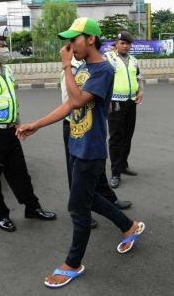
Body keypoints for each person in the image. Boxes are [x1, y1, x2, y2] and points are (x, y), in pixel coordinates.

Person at [16, 17, 145, 288]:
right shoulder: (84, 67)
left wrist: (65, 66)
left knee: (77, 207)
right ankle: (129, 226)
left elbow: (76, 100)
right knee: (89, 197)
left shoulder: (103, 70)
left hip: (91, 149)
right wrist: (36, 125)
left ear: (90, 39)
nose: (69, 45)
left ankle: (73, 263)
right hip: (76, 142)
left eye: (73, 39)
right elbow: (70, 106)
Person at [0, 28, 56, 232]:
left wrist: (18, 124)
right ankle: (0, 214)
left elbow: (10, 101)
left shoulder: (6, 70)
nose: (6, 49)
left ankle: (32, 208)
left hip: (10, 131)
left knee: (21, 173)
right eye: (1, 46)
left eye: (5, 45)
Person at [60, 57, 133, 229]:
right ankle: (81, 209)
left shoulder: (95, 66)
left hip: (91, 128)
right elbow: (70, 102)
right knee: (78, 176)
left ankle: (110, 206)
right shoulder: (71, 68)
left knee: (95, 174)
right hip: (75, 124)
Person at [104, 31, 144, 188]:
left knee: (128, 136)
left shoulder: (133, 61)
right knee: (115, 138)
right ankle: (115, 173)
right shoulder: (108, 58)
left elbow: (139, 78)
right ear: (117, 43)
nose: (125, 46)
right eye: (122, 43)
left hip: (130, 103)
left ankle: (123, 165)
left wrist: (140, 92)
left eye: (128, 44)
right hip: (115, 103)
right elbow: (103, 80)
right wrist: (105, 100)